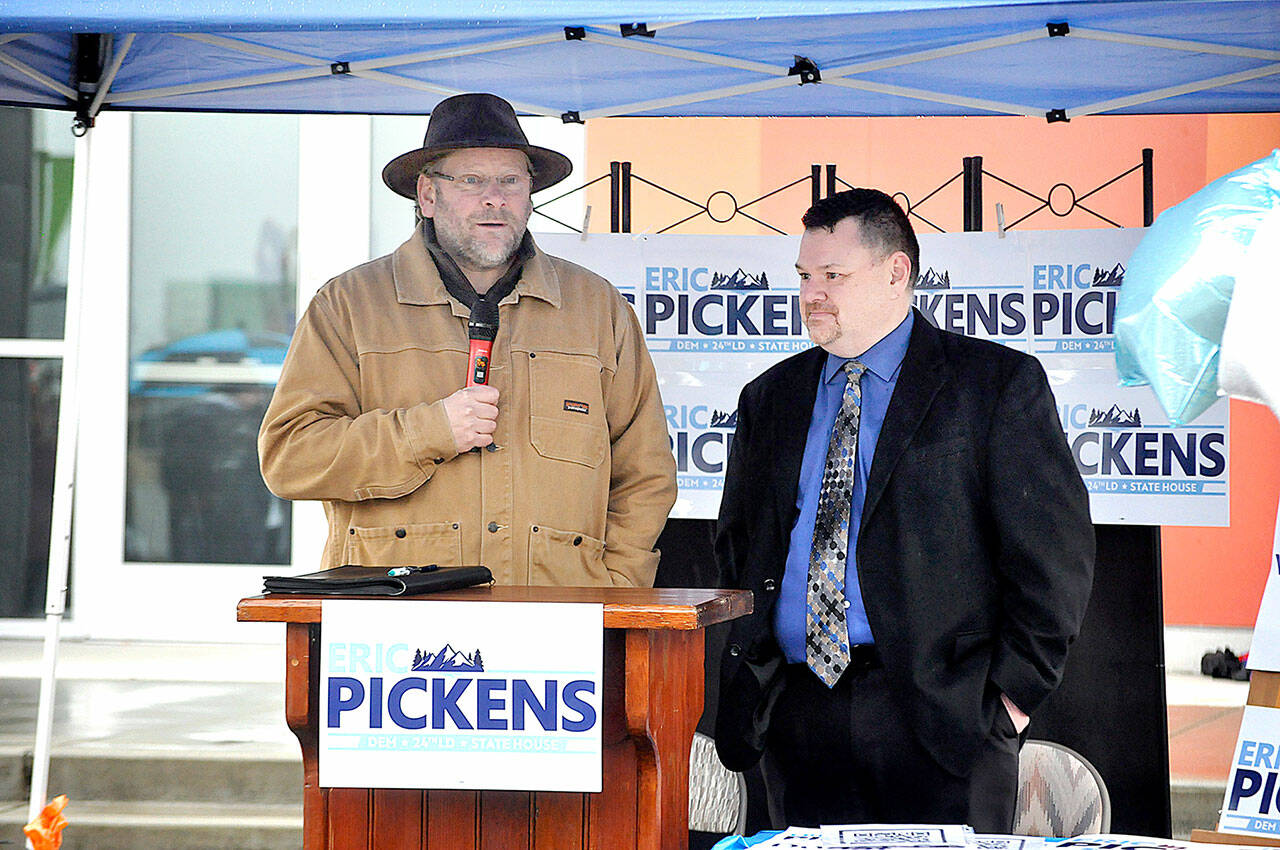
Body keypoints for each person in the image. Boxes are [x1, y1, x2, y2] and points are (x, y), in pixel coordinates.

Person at [713, 188, 1094, 830]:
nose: (813, 294)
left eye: (834, 275)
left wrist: (1009, 702)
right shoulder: (770, 397)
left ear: (897, 273)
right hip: (801, 711)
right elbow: (740, 543)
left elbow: (1053, 556)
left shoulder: (995, 385)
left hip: (945, 717)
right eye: (805, 276)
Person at [259, 93, 676, 587]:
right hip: (394, 625)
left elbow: (645, 473)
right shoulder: (349, 305)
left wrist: (617, 587)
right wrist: (428, 431)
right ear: (427, 196)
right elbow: (290, 457)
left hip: (562, 628)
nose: (495, 198)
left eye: (510, 181)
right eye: (473, 181)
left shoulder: (597, 308)